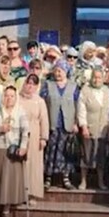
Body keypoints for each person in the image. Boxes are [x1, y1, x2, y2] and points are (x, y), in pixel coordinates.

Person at [0, 86, 29, 217]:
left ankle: (6, 210)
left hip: (13, 150)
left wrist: (23, 147)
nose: (9, 98)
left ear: (16, 97)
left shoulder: (20, 112)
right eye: (7, 95)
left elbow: (25, 131)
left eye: (12, 96)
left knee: (9, 181)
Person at [42, 60, 80, 190]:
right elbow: (43, 104)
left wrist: (76, 122)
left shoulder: (74, 86)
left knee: (66, 152)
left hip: (67, 124)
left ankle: (66, 178)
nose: (58, 73)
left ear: (66, 72)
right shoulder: (48, 85)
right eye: (56, 70)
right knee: (51, 151)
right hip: (52, 124)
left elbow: (77, 106)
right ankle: (48, 178)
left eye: (61, 71)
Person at [77, 68, 109, 190]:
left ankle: (101, 181)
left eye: (99, 77)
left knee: (101, 156)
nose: (97, 80)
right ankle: (83, 181)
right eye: (95, 77)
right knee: (85, 155)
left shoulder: (107, 91)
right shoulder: (85, 90)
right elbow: (81, 110)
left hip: (102, 129)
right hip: (89, 128)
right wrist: (84, 126)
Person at [18, 74, 49, 206]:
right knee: (20, 165)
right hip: (20, 134)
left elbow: (44, 120)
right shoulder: (18, 99)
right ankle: (20, 193)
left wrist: (43, 137)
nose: (30, 86)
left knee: (34, 165)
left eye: (33, 84)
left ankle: (32, 194)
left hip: (35, 134)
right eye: (28, 83)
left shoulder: (40, 101)